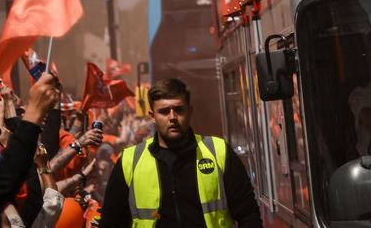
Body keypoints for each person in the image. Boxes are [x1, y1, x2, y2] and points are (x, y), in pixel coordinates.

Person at [100, 78, 260, 228]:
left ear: (190, 111)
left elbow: (248, 214)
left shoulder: (218, 152)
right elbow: (111, 222)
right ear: (152, 116)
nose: (172, 117)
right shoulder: (130, 161)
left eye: (179, 110)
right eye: (164, 111)